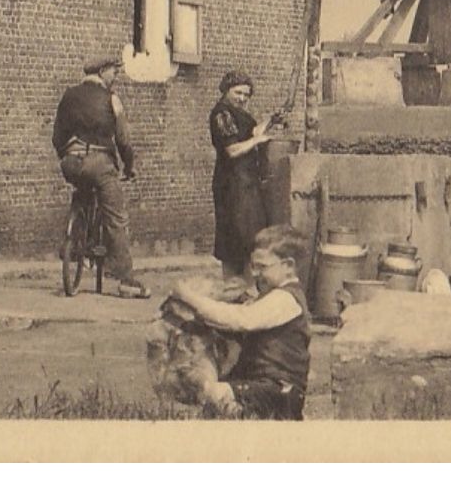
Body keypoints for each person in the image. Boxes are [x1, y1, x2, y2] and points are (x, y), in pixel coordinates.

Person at [171, 224, 311, 420]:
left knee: (213, 393)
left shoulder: (286, 299)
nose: (254, 273)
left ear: (288, 266)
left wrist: (191, 298)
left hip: (280, 388)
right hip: (257, 382)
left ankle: (244, 419)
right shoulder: (267, 296)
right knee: (205, 388)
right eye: (253, 266)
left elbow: (241, 320)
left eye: (262, 267)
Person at [53, 52, 148, 298]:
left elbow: (57, 137)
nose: (115, 77)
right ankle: (126, 281)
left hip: (70, 162)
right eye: (114, 72)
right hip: (100, 163)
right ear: (103, 71)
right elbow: (123, 140)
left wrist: (68, 156)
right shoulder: (111, 99)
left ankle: (74, 241)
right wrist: (129, 166)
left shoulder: (68, 95)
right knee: (116, 218)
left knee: (83, 188)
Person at [208, 71, 283, 278]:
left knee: (250, 237)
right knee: (234, 239)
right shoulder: (222, 114)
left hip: (246, 182)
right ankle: (233, 287)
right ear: (226, 90)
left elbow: (252, 132)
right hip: (231, 184)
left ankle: (244, 288)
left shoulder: (239, 113)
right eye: (238, 93)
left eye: (246, 95)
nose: (242, 98)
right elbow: (232, 150)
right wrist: (256, 142)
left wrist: (270, 121)